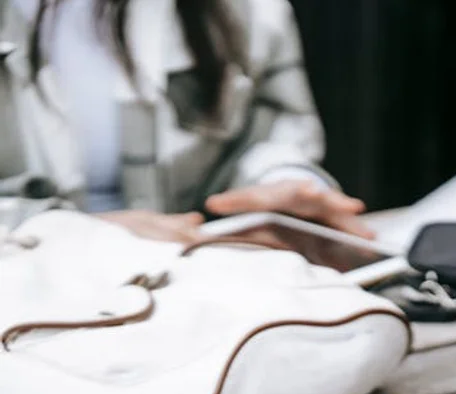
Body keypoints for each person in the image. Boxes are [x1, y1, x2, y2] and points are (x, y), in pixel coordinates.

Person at [0, 0, 371, 243]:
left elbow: (269, 130)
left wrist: (282, 188)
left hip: (188, 289)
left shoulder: (250, 10)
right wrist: (66, 234)